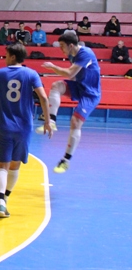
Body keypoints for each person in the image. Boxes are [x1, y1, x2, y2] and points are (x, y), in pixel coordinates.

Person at [0, 43, 52, 218]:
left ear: (12, 56)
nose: (5, 58)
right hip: (24, 127)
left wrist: (5, 104)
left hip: (4, 125)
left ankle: (0, 201)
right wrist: (48, 121)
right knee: (15, 165)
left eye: (6, 55)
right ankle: (6, 198)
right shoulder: (32, 74)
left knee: (2, 165)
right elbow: (44, 98)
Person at [36, 32, 101, 173]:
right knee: (56, 86)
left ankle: (65, 160)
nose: (60, 49)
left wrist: (53, 67)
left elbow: (70, 73)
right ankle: (52, 121)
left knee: (75, 122)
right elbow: (74, 76)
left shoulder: (85, 53)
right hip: (79, 86)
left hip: (90, 94)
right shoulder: (72, 54)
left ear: (71, 45)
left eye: (62, 46)